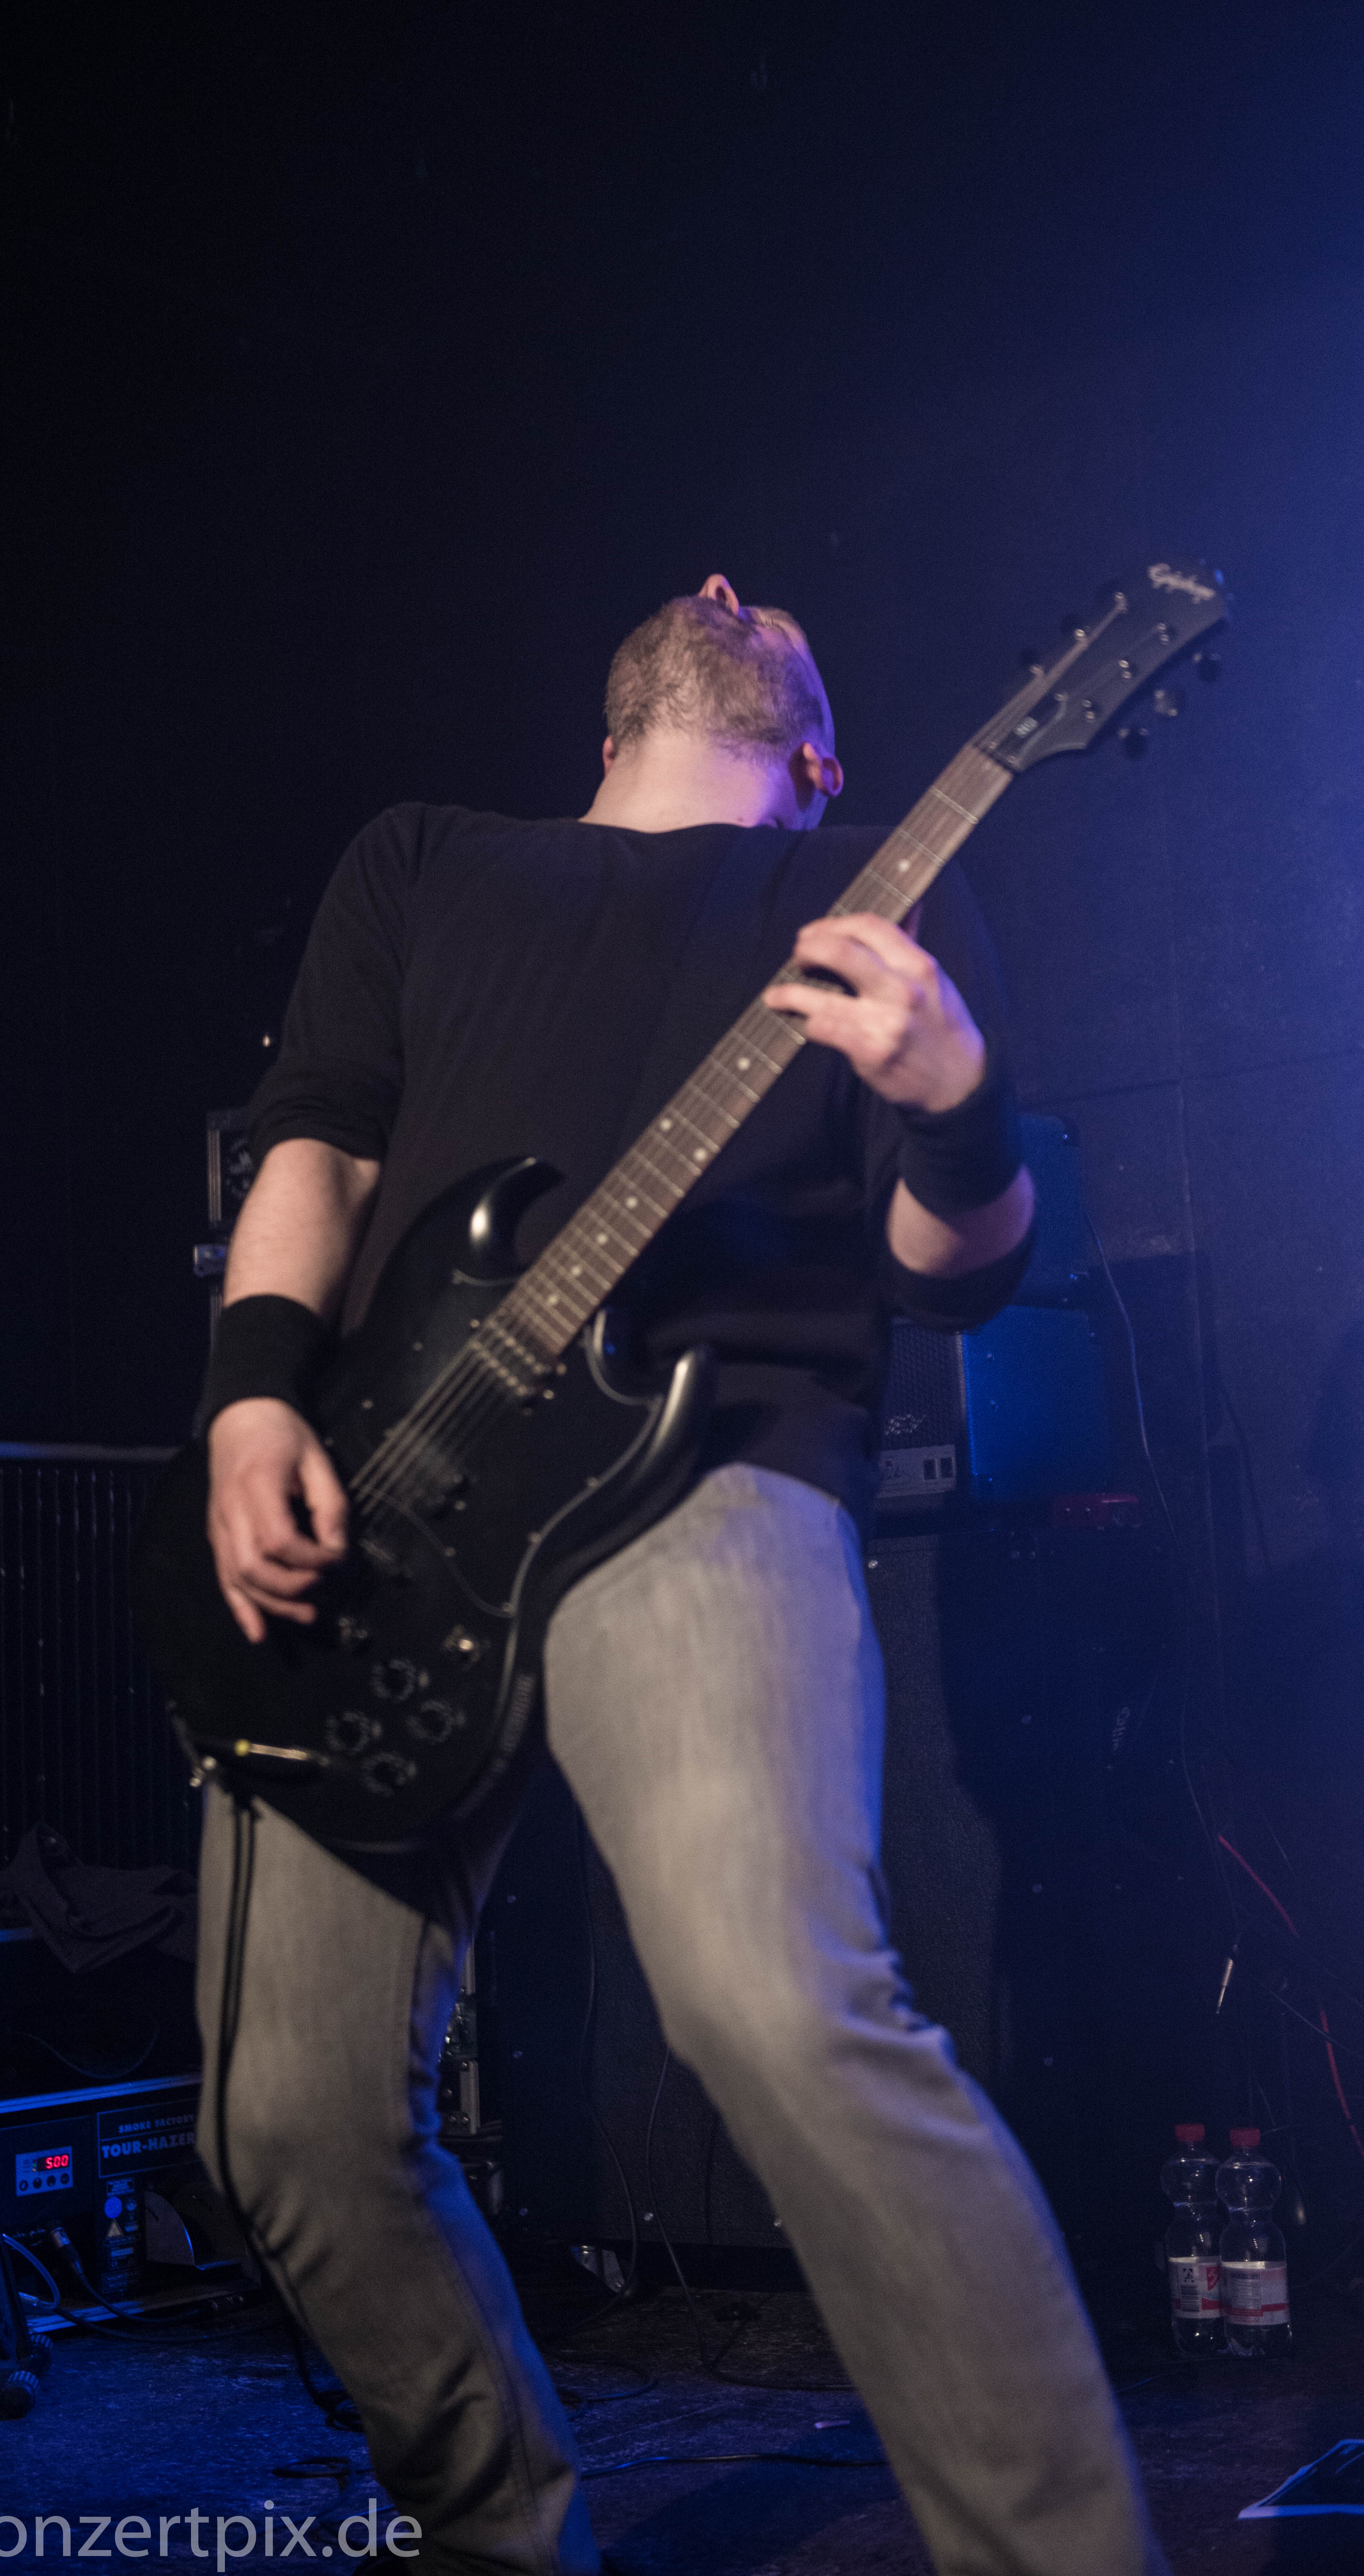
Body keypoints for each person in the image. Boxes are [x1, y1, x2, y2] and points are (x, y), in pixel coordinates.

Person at [195, 574, 1166, 2575]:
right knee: (281, 2118)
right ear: (604, 726)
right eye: (710, 585)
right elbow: (323, 1144)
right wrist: (249, 1398)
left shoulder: (874, 890)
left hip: (713, 1475)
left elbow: (960, 1273)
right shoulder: (425, 859)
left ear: (820, 755)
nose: (726, 581)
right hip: (391, 1508)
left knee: (777, 2005)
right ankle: (498, 2535)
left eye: (772, 602)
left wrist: (957, 1102)